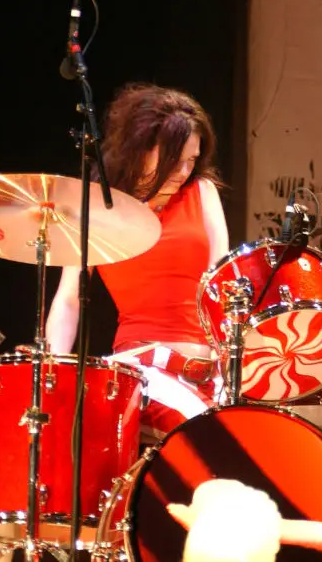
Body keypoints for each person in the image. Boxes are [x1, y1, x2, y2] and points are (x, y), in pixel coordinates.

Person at [45, 82, 230, 439]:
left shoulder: (202, 192)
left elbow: (220, 285)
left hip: (208, 371)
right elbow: (69, 298)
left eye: (192, 160)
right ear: (141, 148)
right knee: (203, 438)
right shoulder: (101, 205)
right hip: (141, 370)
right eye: (175, 160)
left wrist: (231, 369)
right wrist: (51, 371)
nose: (183, 172)